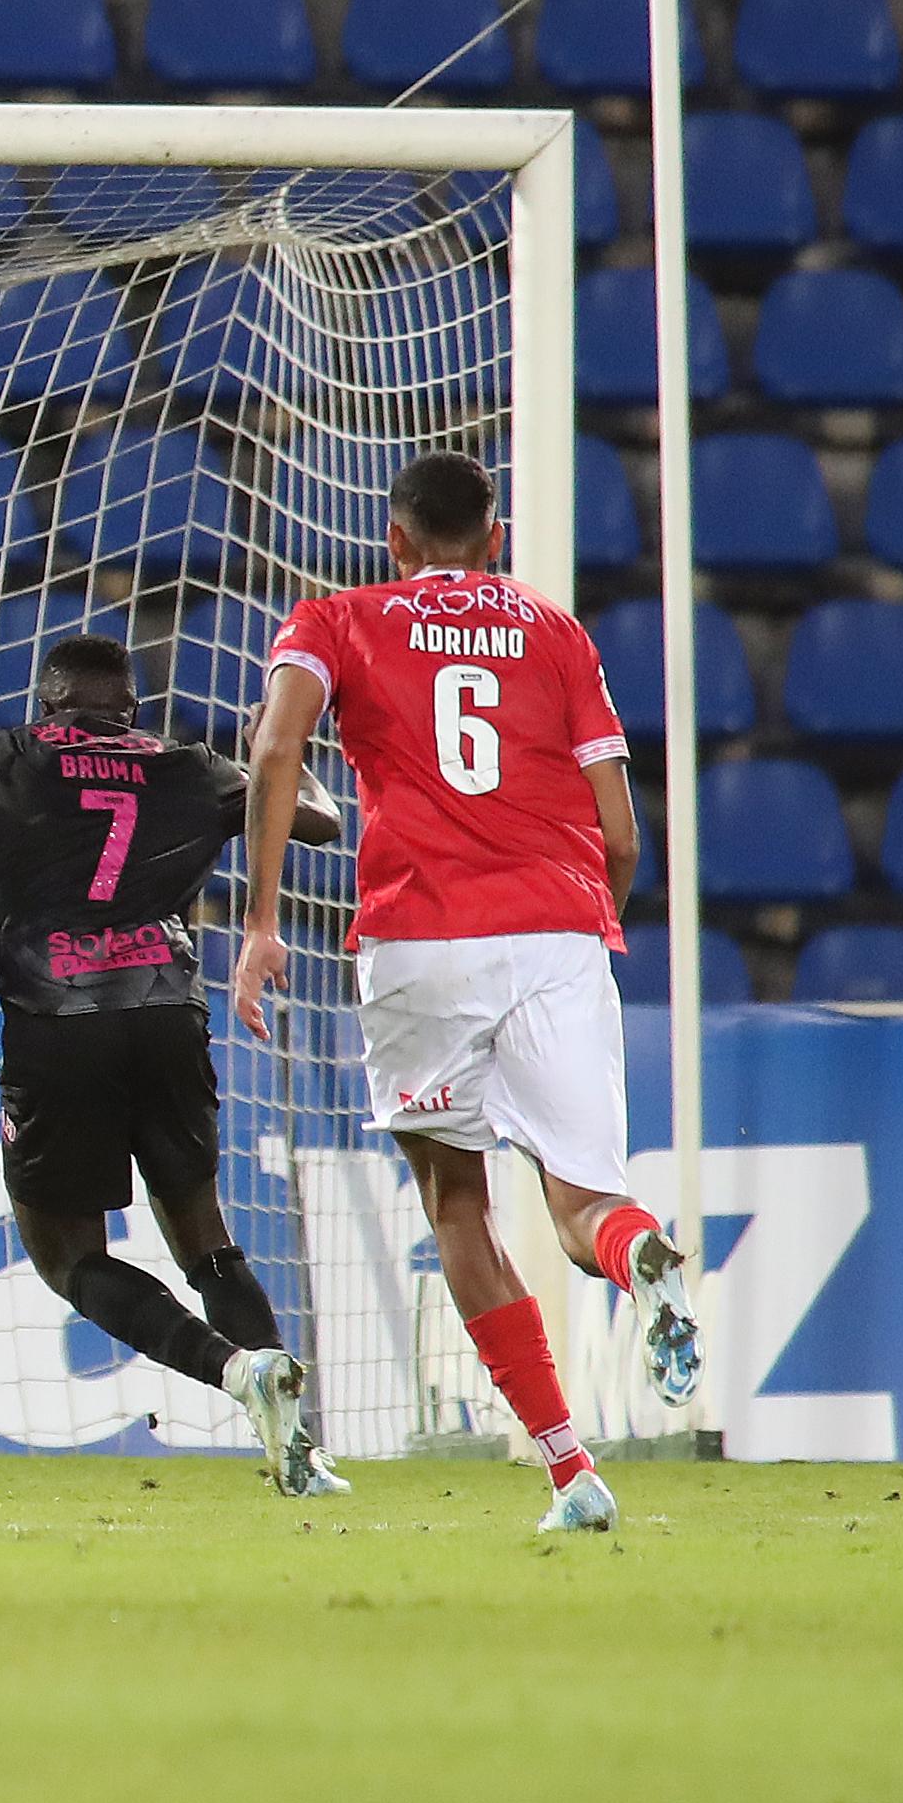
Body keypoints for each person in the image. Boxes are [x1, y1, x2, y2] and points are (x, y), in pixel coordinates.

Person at [233, 450, 703, 1535]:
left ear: (395, 540)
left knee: (457, 1203)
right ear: (497, 540)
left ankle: (571, 1468)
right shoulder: (557, 632)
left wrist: (260, 925)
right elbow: (621, 830)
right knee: (585, 1203)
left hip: (419, 938)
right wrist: (591, 923)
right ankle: (646, 1261)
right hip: (556, 929)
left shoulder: (334, 619)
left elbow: (273, 750)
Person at [0, 634, 347, 1493]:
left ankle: (237, 1373)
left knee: (68, 1260)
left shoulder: (2, 757)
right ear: (130, 710)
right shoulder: (192, 767)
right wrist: (283, 755)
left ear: (48, 704)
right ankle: (302, 1448)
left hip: (57, 1023)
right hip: (167, 1015)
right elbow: (315, 818)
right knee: (206, 1241)